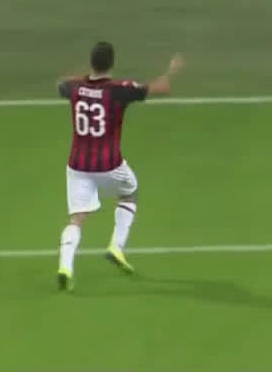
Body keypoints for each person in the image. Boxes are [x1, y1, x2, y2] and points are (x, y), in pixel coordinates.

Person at [56, 43, 184, 291]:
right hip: (109, 165)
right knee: (130, 192)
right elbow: (162, 87)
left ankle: (65, 266)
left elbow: (60, 84)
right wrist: (171, 71)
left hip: (78, 166)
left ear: (91, 63)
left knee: (77, 219)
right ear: (112, 63)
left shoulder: (74, 87)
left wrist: (85, 78)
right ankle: (116, 246)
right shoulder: (119, 90)